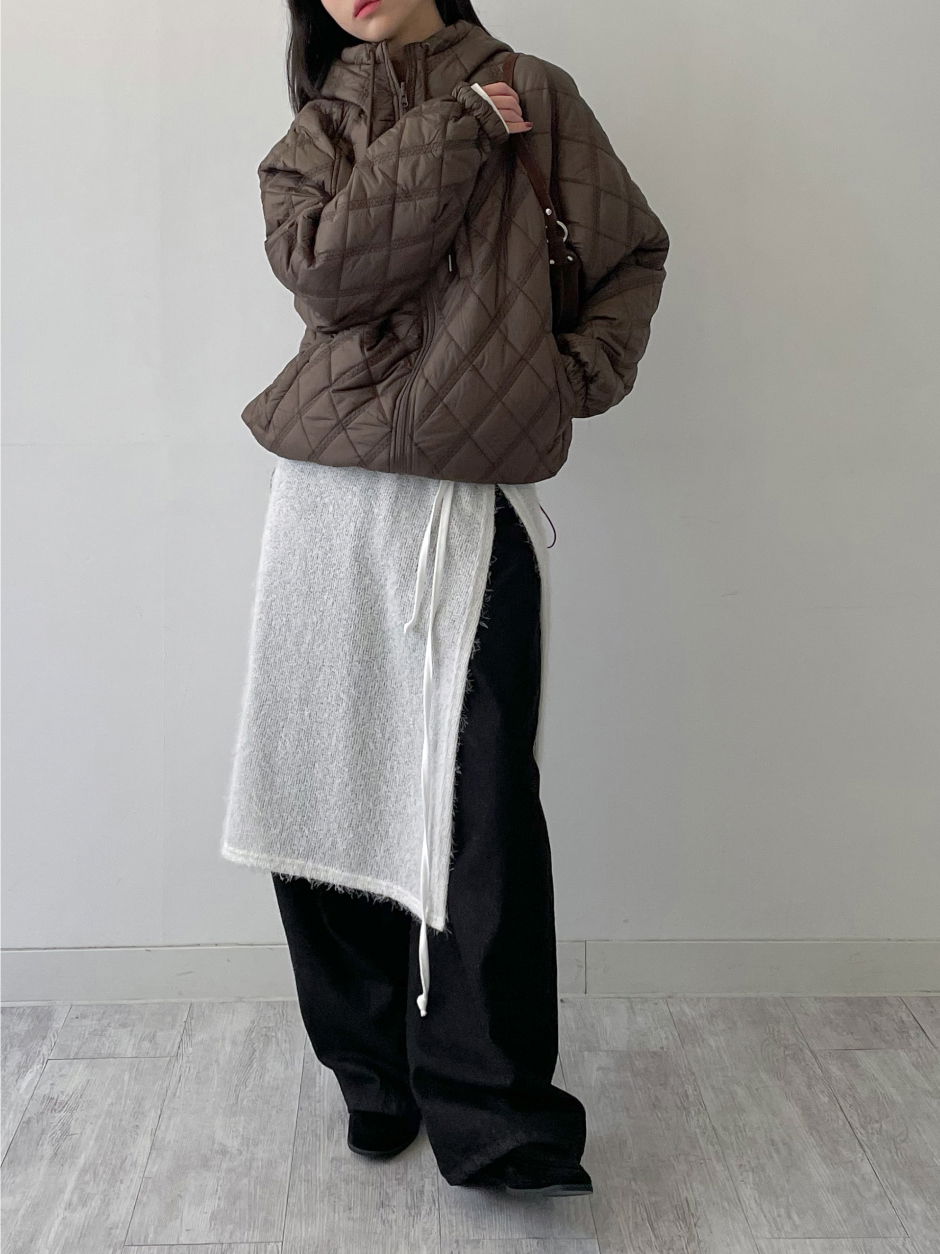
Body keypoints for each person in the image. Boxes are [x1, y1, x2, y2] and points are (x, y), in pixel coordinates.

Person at [221, 0, 669, 1196]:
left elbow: (630, 253)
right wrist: (457, 126)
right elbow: (328, 282)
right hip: (326, 499)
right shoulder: (320, 128)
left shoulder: (538, 90)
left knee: (481, 808)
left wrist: (562, 377)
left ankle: (498, 1116)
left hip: (471, 508)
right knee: (318, 781)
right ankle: (372, 1072)